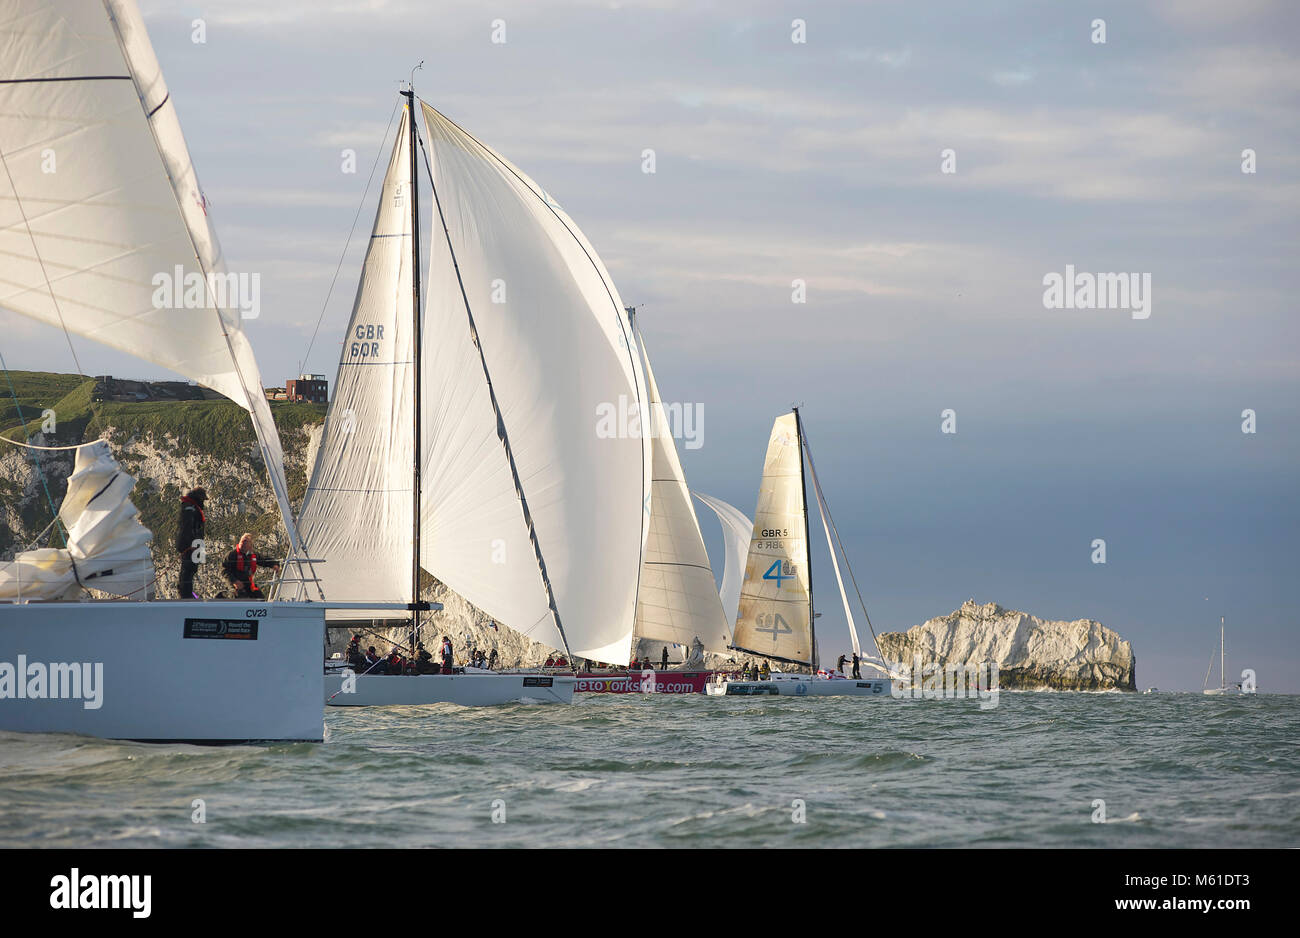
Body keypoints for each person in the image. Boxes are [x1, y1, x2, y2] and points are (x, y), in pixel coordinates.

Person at [221, 532, 280, 600]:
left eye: (246, 541)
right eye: (242, 540)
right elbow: (223, 570)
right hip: (234, 583)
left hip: (247, 582)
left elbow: (263, 560)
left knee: (259, 597)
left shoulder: (252, 555)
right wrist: (234, 581)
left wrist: (274, 564)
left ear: (250, 545)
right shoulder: (231, 555)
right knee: (240, 596)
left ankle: (260, 609)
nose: (243, 542)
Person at [174, 487, 207, 598]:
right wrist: (191, 544)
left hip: (194, 544)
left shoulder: (191, 507)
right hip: (190, 545)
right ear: (198, 498)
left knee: (191, 569)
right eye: (203, 499)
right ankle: (185, 594)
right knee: (188, 569)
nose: (203, 502)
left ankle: (187, 592)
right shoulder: (190, 508)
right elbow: (187, 527)